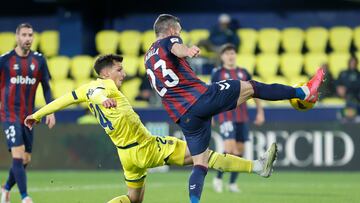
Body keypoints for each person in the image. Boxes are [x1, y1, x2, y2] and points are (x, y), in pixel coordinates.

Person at [24, 54, 278, 203]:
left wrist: (37, 114)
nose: (123, 74)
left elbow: (63, 99)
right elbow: (101, 94)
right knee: (204, 156)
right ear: (106, 73)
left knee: (133, 200)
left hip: (126, 155)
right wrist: (105, 100)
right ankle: (257, 166)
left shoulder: (83, 89)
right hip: (147, 147)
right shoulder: (105, 87)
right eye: (119, 70)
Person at [144, 14, 325, 203]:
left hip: (183, 115)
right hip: (200, 98)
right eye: (179, 31)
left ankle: (195, 201)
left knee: (200, 164)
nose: (179, 33)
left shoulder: (147, 57)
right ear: (172, 30)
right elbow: (177, 47)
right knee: (252, 87)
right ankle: (304, 92)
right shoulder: (169, 39)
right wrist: (188, 50)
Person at [0, 23, 56, 203]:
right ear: (17, 37)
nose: (27, 39)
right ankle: (25, 197)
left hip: (28, 116)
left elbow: (46, 88)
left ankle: (6, 188)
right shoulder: (5, 60)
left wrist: (51, 110)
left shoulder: (39, 61)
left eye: (30, 35)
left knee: (25, 159)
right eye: (24, 35)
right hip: (9, 114)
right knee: (17, 154)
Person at [211, 43, 265, 193]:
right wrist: (210, 114)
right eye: (227, 53)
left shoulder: (244, 73)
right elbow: (212, 95)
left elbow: (255, 92)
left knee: (239, 151)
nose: (230, 56)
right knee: (229, 149)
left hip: (242, 116)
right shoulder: (217, 73)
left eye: (232, 53)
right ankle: (218, 179)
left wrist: (260, 111)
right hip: (225, 116)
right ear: (222, 57)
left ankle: (232, 183)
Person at [336, 55, 360, 121]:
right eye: (351, 62)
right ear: (348, 63)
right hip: (345, 95)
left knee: (353, 100)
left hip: (356, 95)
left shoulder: (358, 74)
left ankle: (345, 114)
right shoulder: (343, 73)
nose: (353, 64)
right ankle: (353, 115)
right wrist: (340, 90)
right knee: (351, 100)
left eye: (354, 63)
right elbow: (338, 85)